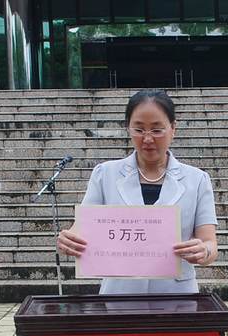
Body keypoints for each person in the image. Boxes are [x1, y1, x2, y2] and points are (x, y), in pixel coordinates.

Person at [57, 89, 218, 294]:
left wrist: (204, 251)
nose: (148, 138)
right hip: (120, 294)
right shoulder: (105, 174)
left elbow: (210, 242)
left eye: (157, 130)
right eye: (139, 129)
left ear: (173, 128)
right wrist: (69, 239)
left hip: (177, 296)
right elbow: (82, 227)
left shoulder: (197, 180)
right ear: (128, 128)